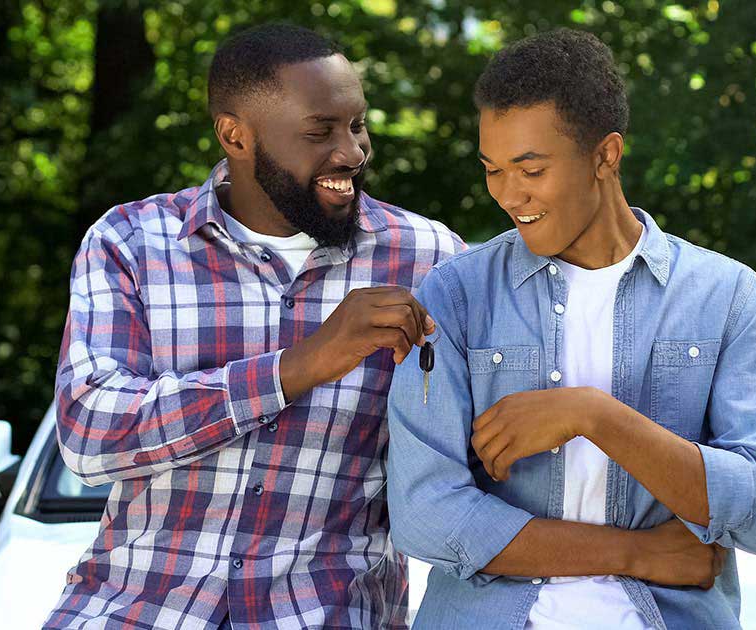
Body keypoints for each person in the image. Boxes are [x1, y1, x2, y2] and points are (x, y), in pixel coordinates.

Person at [44, 24, 463, 629]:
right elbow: (89, 433)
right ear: (235, 136)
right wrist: (299, 367)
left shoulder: (428, 259)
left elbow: (461, 453)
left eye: (357, 125)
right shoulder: (132, 242)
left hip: (326, 614)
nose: (351, 153)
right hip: (135, 609)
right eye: (320, 132)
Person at [387, 28, 756, 629]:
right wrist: (633, 552)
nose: (508, 193)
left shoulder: (724, 295)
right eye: (493, 169)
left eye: (530, 169)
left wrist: (595, 416)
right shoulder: (454, 295)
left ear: (606, 155)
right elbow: (425, 514)